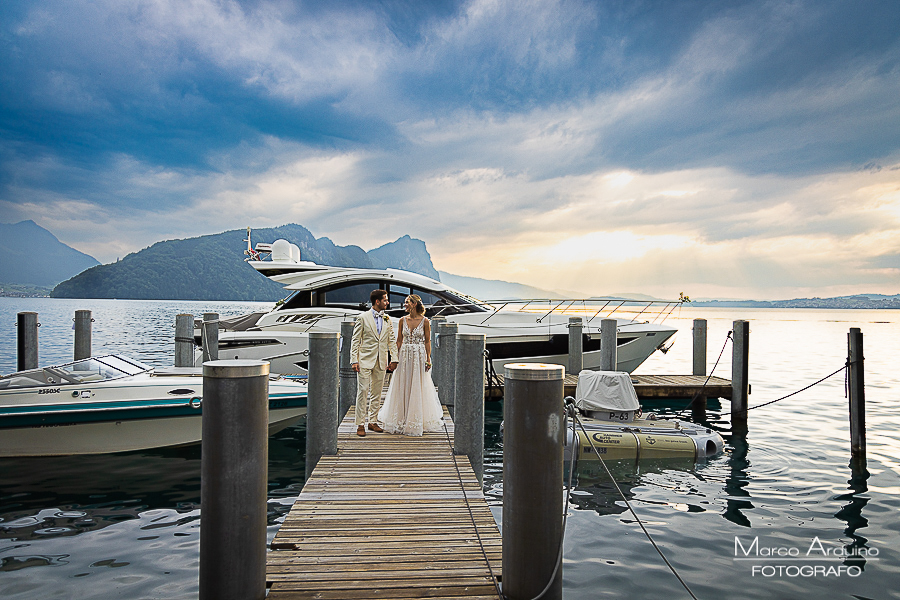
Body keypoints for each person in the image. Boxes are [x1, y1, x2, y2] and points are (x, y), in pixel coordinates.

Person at [378, 294, 443, 436]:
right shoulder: (402, 320)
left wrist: (428, 358)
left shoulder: (425, 321)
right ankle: (401, 418)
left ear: (414, 304)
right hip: (404, 356)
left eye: (407, 302)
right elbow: (399, 341)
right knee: (402, 383)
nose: (404, 304)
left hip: (419, 356)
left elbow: (427, 341)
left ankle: (416, 418)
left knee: (417, 385)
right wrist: (394, 358)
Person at [350, 289, 397, 437]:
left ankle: (373, 421)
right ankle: (360, 424)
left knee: (377, 392)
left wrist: (394, 359)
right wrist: (354, 360)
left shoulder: (387, 319)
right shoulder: (362, 318)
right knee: (363, 391)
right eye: (385, 300)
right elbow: (355, 340)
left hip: (381, 360)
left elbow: (391, 341)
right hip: (364, 360)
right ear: (377, 302)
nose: (387, 302)